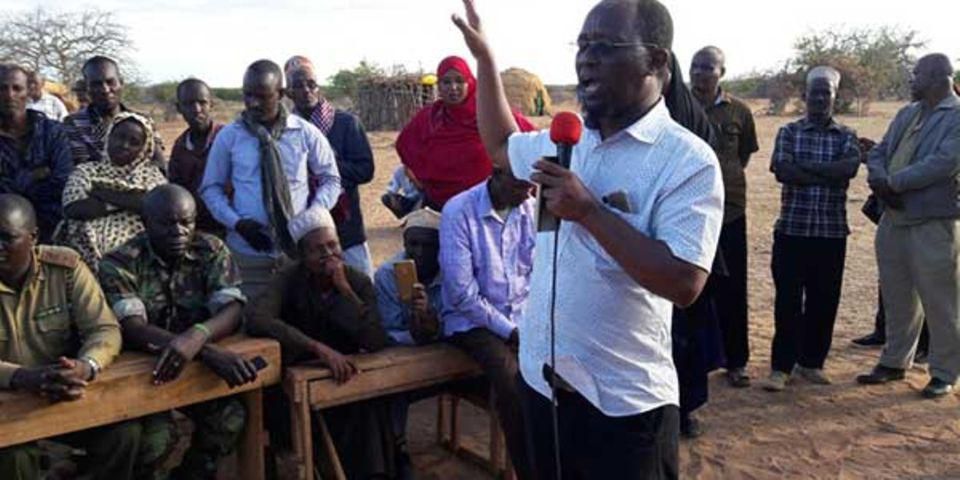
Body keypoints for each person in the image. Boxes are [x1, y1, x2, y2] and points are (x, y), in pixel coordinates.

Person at [452, 0, 723, 476]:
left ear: (656, 60)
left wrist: (591, 213)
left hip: (623, 408)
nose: (585, 58)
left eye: (604, 46)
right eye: (581, 46)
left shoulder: (687, 161)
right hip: (543, 391)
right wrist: (486, 62)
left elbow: (685, 282)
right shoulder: (568, 140)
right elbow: (499, 147)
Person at [98, 184, 257, 479]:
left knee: (229, 419)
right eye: (167, 224)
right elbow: (133, 327)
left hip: (194, 368)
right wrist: (204, 349)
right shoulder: (119, 262)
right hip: (146, 370)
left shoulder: (210, 249)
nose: (179, 232)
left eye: (186, 222)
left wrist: (196, 336)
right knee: (155, 441)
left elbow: (232, 308)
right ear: (146, 224)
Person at [246, 207, 396, 480]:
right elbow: (258, 318)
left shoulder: (357, 281)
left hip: (343, 377)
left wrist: (346, 292)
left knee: (368, 407)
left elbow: (375, 341)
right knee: (300, 414)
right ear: (303, 256)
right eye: (318, 250)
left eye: (333, 245)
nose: (328, 255)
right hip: (297, 375)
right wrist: (318, 348)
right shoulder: (288, 278)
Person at [0, 194, 141, 480]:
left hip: (63, 392)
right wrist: (21, 376)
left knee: (124, 433)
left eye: (7, 238)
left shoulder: (64, 269)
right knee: (14, 456)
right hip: (7, 404)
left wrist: (86, 366)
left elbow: (104, 328)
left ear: (33, 237)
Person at [858, 54, 960, 398]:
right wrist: (879, 179)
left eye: (916, 75)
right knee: (897, 295)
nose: (911, 81)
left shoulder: (957, 115)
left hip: (933, 221)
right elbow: (879, 152)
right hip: (894, 218)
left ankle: (945, 372)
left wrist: (894, 183)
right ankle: (894, 361)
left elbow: (944, 162)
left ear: (936, 77)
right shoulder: (907, 113)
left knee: (941, 301)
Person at [200, 59, 341, 299]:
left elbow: (331, 178)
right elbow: (210, 189)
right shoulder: (229, 137)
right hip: (248, 254)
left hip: (298, 251)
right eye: (248, 96)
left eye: (262, 96)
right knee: (252, 322)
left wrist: (312, 217)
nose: (253, 103)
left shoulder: (304, 132)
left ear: (281, 94)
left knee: (299, 318)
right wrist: (237, 223)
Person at [764, 66, 860, 392]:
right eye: (814, 93)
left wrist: (805, 169)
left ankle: (812, 363)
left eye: (826, 93)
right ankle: (781, 367)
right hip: (792, 230)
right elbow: (783, 171)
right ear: (805, 96)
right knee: (787, 302)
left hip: (831, 233)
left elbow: (849, 169)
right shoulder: (788, 132)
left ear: (835, 97)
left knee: (824, 301)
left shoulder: (846, 135)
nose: (819, 98)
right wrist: (828, 174)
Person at [439, 167, 536, 478]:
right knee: (513, 383)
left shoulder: (529, 206)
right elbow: (462, 295)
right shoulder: (459, 211)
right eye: (521, 185)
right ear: (497, 174)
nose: (528, 193)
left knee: (561, 376)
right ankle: (530, 472)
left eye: (531, 186)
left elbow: (538, 270)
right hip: (473, 322)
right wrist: (511, 330)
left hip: (521, 317)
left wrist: (530, 324)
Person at [660, 45, 725, 439]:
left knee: (686, 335)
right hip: (641, 250)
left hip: (682, 246)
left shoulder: (691, 121)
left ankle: (685, 411)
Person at [690, 46, 759, 388]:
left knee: (733, 288)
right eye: (695, 67)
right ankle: (696, 363)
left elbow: (742, 155)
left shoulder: (740, 112)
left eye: (708, 68)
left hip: (729, 211)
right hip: (687, 211)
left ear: (722, 72)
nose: (700, 73)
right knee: (692, 290)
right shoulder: (675, 108)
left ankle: (737, 361)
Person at [396, 55, 536, 210]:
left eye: (459, 81)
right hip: (441, 206)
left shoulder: (491, 112)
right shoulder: (430, 117)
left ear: (470, 82)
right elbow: (405, 146)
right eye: (446, 82)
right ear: (439, 86)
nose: (453, 87)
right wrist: (420, 180)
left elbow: (529, 141)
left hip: (492, 204)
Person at [285, 56, 376, 277]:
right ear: (288, 93)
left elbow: (366, 171)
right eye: (298, 86)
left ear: (319, 87)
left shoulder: (345, 123)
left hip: (346, 227)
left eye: (311, 84)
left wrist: (328, 167)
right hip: (306, 228)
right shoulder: (285, 131)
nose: (306, 90)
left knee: (362, 291)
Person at [57, 112, 167, 272]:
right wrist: (131, 201)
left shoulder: (151, 175)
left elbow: (155, 206)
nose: (124, 145)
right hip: (84, 257)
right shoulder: (86, 170)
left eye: (134, 142)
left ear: (144, 148)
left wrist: (102, 194)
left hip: (135, 261)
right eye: (119, 137)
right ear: (109, 137)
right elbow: (73, 208)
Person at [0, 63, 74, 243]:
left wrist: (14, 183)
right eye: (2, 88)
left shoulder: (53, 132)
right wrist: (34, 175)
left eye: (17, 88)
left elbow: (63, 182)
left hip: (50, 226)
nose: (10, 95)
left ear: (28, 92)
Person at [63, 56, 165, 167]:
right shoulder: (74, 123)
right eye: (96, 84)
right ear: (87, 88)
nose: (105, 90)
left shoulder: (143, 121)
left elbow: (159, 164)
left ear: (121, 82)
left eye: (110, 82)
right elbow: (82, 167)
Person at [375, 207, 444, 345]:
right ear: (404, 244)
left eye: (429, 245)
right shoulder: (387, 275)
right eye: (413, 244)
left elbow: (460, 323)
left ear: (441, 246)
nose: (419, 252)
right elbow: (391, 329)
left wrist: (433, 322)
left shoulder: (454, 271)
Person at [169, 78, 227, 237]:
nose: (196, 109)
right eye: (188, 104)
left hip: (232, 224)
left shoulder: (228, 138)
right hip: (198, 227)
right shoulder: (180, 147)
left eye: (202, 103)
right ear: (179, 108)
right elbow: (178, 190)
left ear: (211, 104)